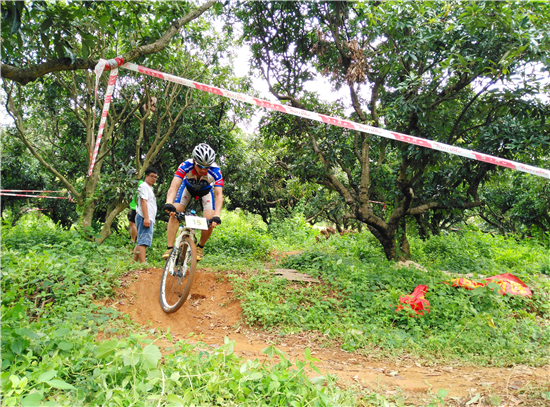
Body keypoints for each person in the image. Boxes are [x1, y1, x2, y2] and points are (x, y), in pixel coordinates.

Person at [163, 143, 223, 261]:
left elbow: (218, 194)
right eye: (200, 166)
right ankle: (170, 248)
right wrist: (169, 203)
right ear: (194, 161)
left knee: (210, 219)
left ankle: (200, 247)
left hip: (205, 191)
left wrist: (217, 215)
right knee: (175, 212)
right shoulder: (186, 165)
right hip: (187, 188)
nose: (203, 170)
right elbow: (174, 186)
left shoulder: (215, 170)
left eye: (206, 167)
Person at [133, 168, 158, 263]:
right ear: (146, 176)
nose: (154, 179)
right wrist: (146, 218)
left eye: (155, 177)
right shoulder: (144, 186)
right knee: (143, 241)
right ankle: (143, 263)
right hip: (144, 217)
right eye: (152, 176)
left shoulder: (148, 188)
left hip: (147, 217)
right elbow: (143, 201)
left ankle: (134, 263)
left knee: (140, 240)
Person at [128, 179, 144, 243]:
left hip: (136, 207)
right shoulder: (133, 182)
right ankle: (135, 239)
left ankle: (134, 240)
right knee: (133, 223)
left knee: (132, 223)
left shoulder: (140, 183)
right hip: (134, 206)